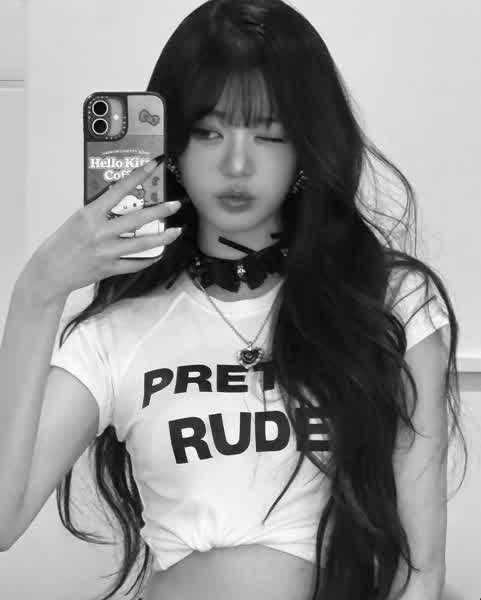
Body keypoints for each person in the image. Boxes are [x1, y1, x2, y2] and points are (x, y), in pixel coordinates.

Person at [0, 1, 467, 599]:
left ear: (305, 146)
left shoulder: (389, 303)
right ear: (172, 146)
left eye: (269, 133)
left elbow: (421, 570)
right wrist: (37, 290)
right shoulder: (117, 334)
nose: (237, 164)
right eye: (208, 131)